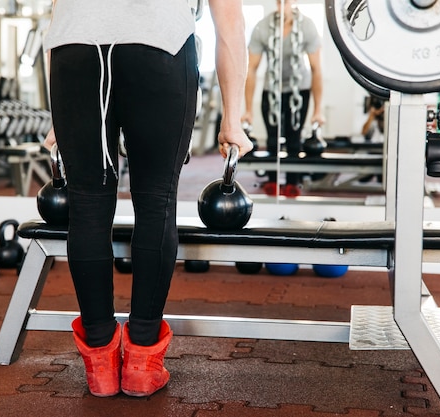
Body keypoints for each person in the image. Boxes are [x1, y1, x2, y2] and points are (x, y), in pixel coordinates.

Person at [42, 0, 253, 398]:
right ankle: (141, 361)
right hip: (158, 46)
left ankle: (101, 368)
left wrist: (60, 115)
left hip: (75, 53)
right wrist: (233, 119)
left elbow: (59, 13)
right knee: (157, 201)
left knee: (86, 204)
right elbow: (230, 24)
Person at [242, 0, 324, 197]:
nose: (282, 5)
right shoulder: (263, 27)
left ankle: (292, 184)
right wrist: (248, 110)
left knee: (294, 140)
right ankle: (271, 182)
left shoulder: (307, 26)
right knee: (272, 140)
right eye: (279, 2)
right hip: (271, 89)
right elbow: (251, 69)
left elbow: (316, 69)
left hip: (299, 89)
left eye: (286, 2)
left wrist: (318, 110)